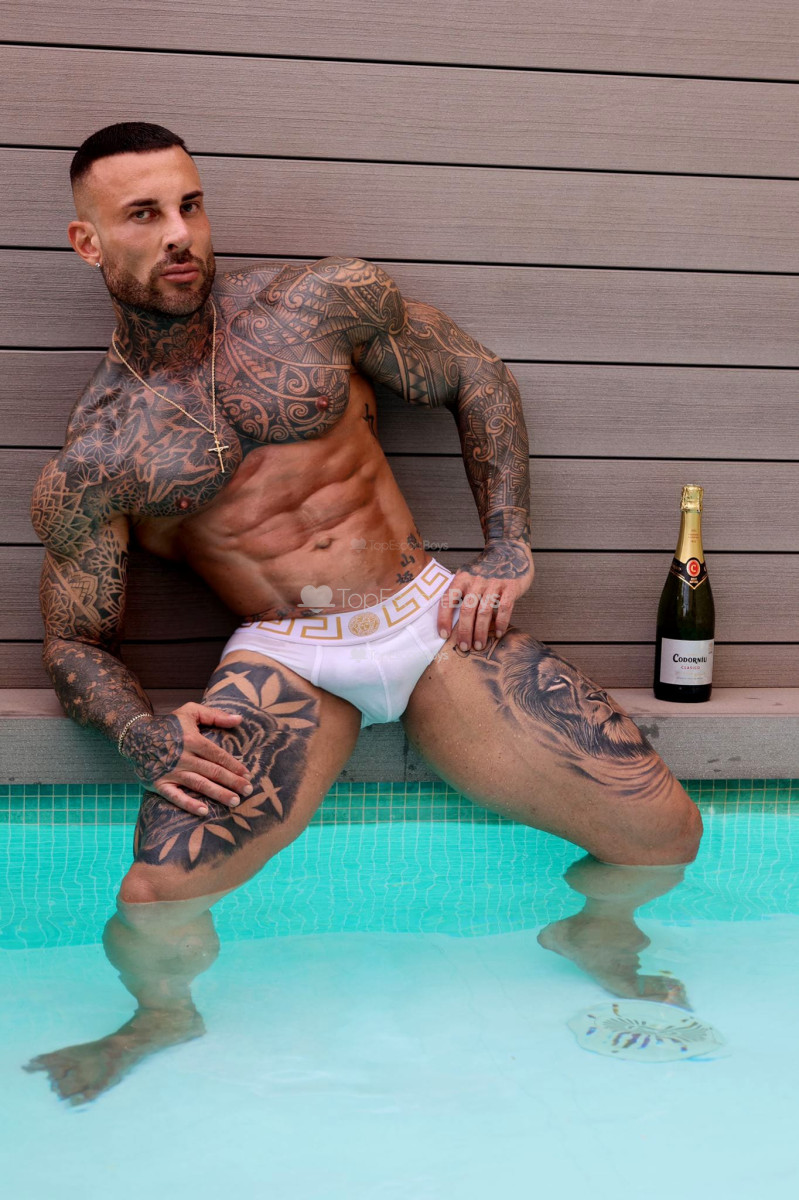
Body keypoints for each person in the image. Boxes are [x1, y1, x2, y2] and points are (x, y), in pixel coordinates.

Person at [26, 123, 701, 1102]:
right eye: (144, 214)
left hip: (431, 618)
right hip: (288, 654)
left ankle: (596, 929)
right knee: (154, 895)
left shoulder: (317, 305)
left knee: (665, 835)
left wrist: (507, 544)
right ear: (88, 242)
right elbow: (74, 640)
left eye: (190, 205)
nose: (179, 234)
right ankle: (163, 1013)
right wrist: (142, 733)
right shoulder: (98, 453)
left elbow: (474, 376)